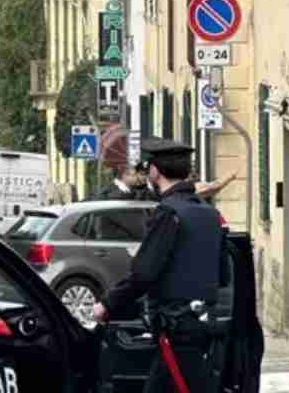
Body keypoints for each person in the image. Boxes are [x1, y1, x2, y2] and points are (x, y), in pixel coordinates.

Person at [92, 138, 223, 393]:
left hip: (174, 326)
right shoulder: (209, 214)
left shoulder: (167, 212)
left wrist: (108, 304)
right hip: (203, 324)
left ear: (155, 172)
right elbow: (223, 274)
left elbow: (144, 273)